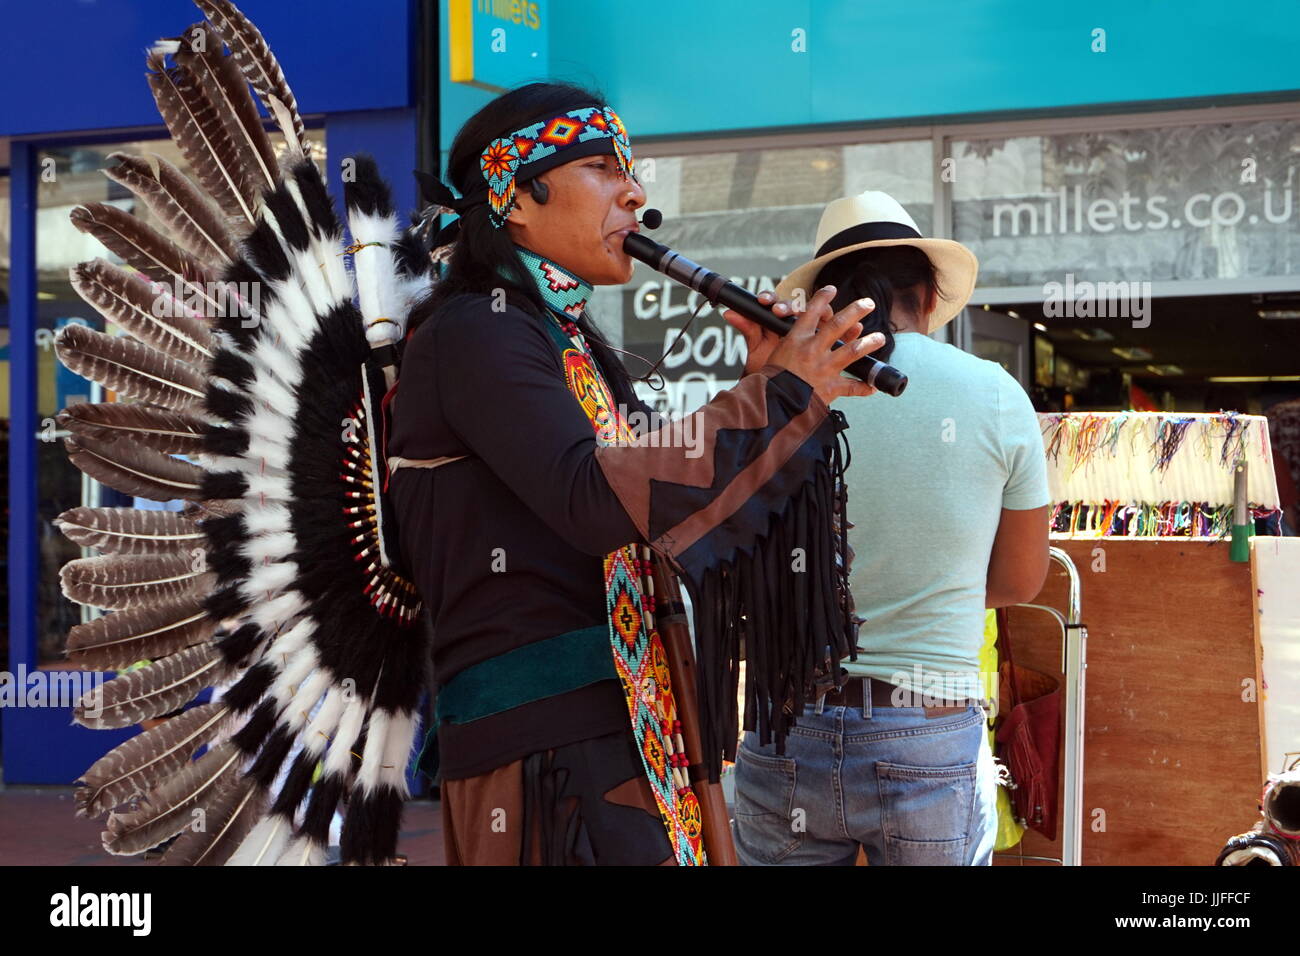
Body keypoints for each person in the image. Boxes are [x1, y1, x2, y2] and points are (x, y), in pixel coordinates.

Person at [385, 83, 884, 866]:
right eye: (599, 167)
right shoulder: (475, 331)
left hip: (621, 729)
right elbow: (591, 498)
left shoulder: (563, 337)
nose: (635, 191)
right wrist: (773, 396)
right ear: (516, 196)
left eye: (630, 166)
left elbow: (652, 502)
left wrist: (765, 391)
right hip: (547, 750)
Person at [728, 190, 1050, 866]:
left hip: (786, 726)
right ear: (929, 295)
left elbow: (726, 548)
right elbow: (1020, 579)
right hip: (927, 727)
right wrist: (932, 583)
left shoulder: (772, 395)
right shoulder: (993, 394)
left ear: (823, 301)